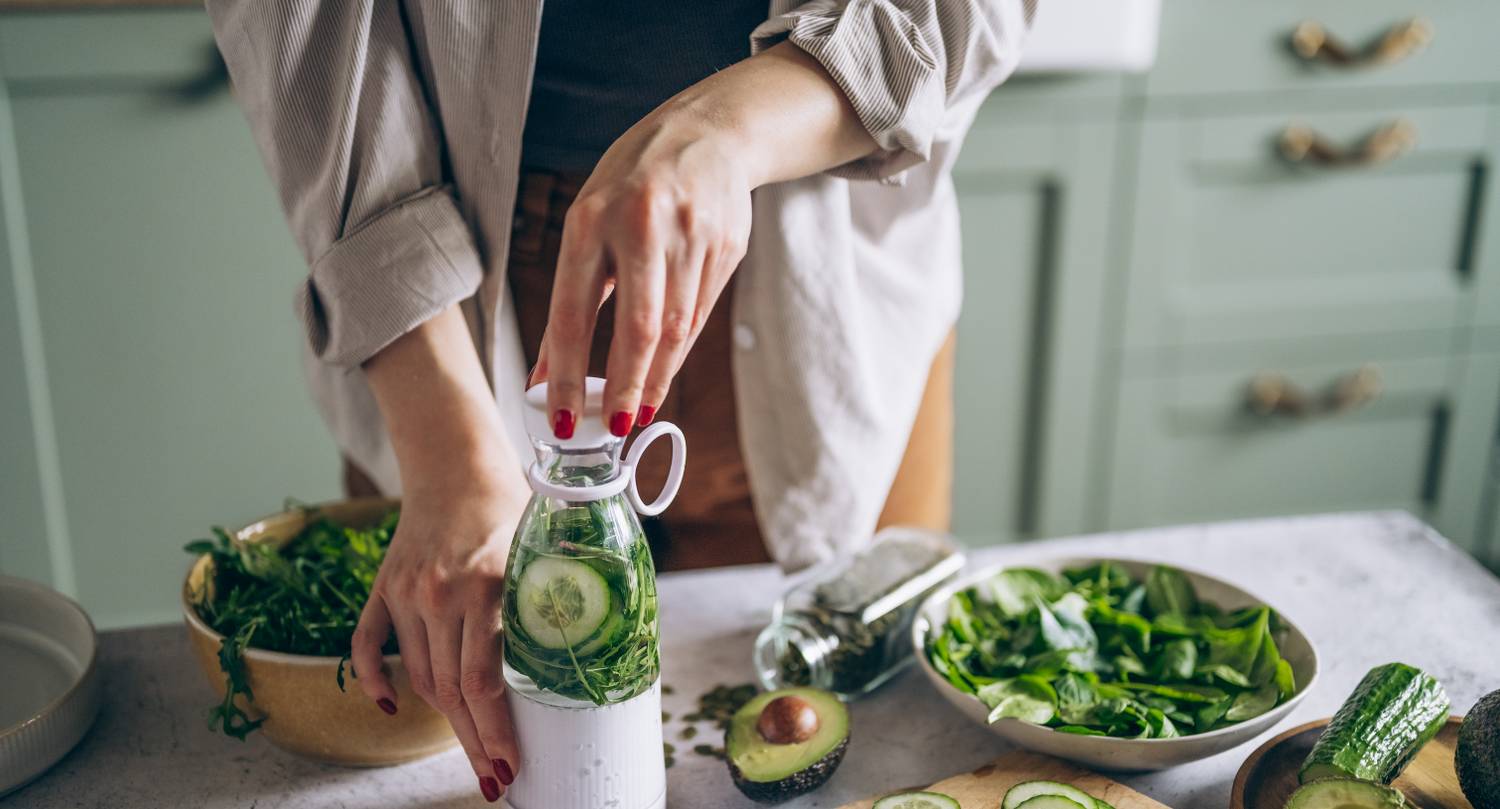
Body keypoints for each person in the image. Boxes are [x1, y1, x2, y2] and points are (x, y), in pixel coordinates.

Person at [208, 0, 1033, 801]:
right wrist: (448, 457)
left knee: (878, 702)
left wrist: (726, 127)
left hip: (825, 277)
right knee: (453, 697)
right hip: (453, 301)